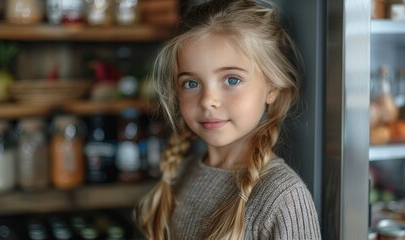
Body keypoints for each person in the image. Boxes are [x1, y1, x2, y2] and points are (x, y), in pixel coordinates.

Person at [135, 0, 321, 239]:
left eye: (232, 80)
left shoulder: (283, 196)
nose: (207, 100)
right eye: (191, 83)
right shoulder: (183, 173)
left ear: (272, 87)